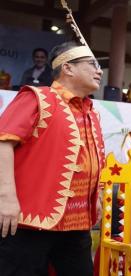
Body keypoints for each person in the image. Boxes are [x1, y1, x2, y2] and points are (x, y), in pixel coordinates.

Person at [0, 39, 105, 275]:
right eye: (92, 64)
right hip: (30, 220)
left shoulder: (91, 111)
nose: (99, 71)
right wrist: (5, 198)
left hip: (77, 223)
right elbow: (3, 142)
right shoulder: (37, 97)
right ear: (67, 67)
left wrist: (95, 195)